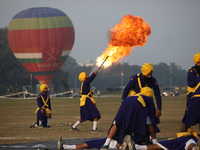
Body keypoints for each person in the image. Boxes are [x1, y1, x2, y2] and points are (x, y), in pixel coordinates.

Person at [181, 53, 200, 132]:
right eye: (198, 63)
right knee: (188, 118)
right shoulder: (191, 71)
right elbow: (195, 83)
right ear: (195, 63)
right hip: (192, 96)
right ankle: (181, 137)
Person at [134, 129, 198, 150]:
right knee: (158, 146)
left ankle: (137, 147)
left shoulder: (192, 140)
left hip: (182, 141)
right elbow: (191, 146)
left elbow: (191, 146)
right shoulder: (193, 140)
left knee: (159, 146)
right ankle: (137, 147)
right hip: (181, 141)